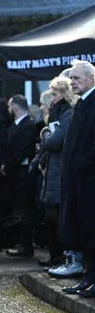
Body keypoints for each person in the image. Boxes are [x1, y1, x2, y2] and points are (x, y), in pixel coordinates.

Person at [60, 60, 95, 298]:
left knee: (91, 231)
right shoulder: (82, 104)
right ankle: (88, 278)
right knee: (84, 231)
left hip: (89, 181)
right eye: (71, 78)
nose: (72, 82)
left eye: (76, 78)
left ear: (91, 78)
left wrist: (82, 164)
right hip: (78, 181)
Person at [37, 77, 77, 268]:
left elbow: (53, 141)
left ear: (63, 93)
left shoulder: (68, 113)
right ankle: (56, 257)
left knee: (57, 217)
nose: (51, 98)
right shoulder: (60, 113)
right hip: (53, 170)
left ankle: (61, 258)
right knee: (51, 217)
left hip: (59, 171)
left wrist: (44, 132)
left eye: (54, 94)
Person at [2, 95, 37, 258]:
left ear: (15, 108)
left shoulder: (27, 126)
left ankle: (26, 246)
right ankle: (23, 243)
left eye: (10, 107)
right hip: (16, 173)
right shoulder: (20, 125)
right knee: (21, 210)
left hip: (22, 175)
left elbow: (21, 151)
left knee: (24, 211)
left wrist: (6, 168)